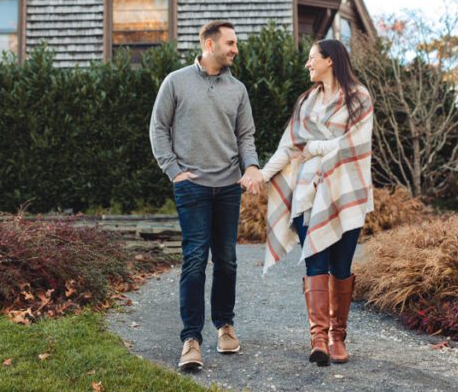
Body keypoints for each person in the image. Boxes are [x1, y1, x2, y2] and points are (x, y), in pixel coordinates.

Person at [149, 20, 265, 371]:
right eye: (230, 42)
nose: (235, 49)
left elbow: (246, 136)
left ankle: (225, 325)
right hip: (192, 187)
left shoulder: (238, 90)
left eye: (235, 42)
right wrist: (174, 171)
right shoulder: (176, 81)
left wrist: (251, 167)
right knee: (196, 259)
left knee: (227, 259)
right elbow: (158, 128)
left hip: (229, 186)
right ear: (209, 44)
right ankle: (191, 339)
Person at [259, 39, 374, 366]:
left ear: (330, 60)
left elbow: (355, 143)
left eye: (312, 58)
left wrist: (314, 148)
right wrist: (262, 175)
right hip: (307, 194)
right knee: (315, 264)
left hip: (346, 192)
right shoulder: (306, 102)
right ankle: (319, 339)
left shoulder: (359, 98)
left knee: (341, 267)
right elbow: (289, 146)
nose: (307, 64)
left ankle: (339, 336)